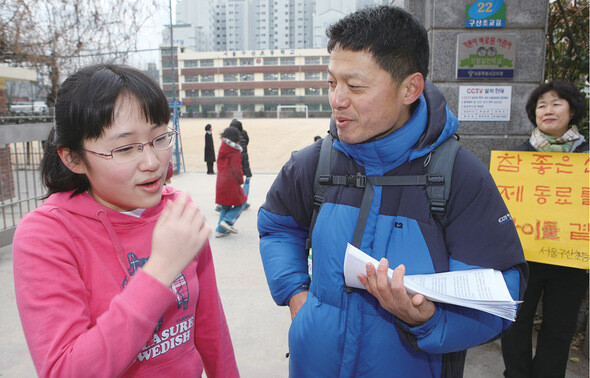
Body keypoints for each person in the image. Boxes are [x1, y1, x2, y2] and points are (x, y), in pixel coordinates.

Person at [257, 6, 527, 377]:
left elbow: (501, 292)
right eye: (331, 82)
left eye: (355, 86)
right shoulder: (314, 163)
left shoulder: (459, 176)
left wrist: (429, 321)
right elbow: (277, 226)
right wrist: (296, 296)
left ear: (410, 88)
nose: (337, 99)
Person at [12, 64, 239, 377]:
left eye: (160, 138)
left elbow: (212, 329)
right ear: (73, 158)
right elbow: (65, 370)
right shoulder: (46, 235)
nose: (152, 163)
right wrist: (160, 271)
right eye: (125, 148)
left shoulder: (176, 212)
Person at [501, 80, 588, 378]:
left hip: (571, 258)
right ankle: (516, 373)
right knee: (516, 320)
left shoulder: (586, 158)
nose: (548, 110)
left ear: (572, 110)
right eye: (541, 105)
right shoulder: (517, 158)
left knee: (560, 326)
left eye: (556, 103)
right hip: (525, 257)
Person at [215, 126, 247, 238]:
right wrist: (241, 180)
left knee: (226, 206)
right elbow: (237, 168)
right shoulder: (235, 151)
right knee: (242, 202)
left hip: (221, 181)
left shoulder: (223, 147)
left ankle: (220, 230)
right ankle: (227, 221)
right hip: (231, 182)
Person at [229, 119, 252, 209]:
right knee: (244, 182)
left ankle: (237, 202)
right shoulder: (241, 138)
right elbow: (243, 155)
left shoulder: (229, 138)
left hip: (234, 166)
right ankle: (243, 202)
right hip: (239, 166)